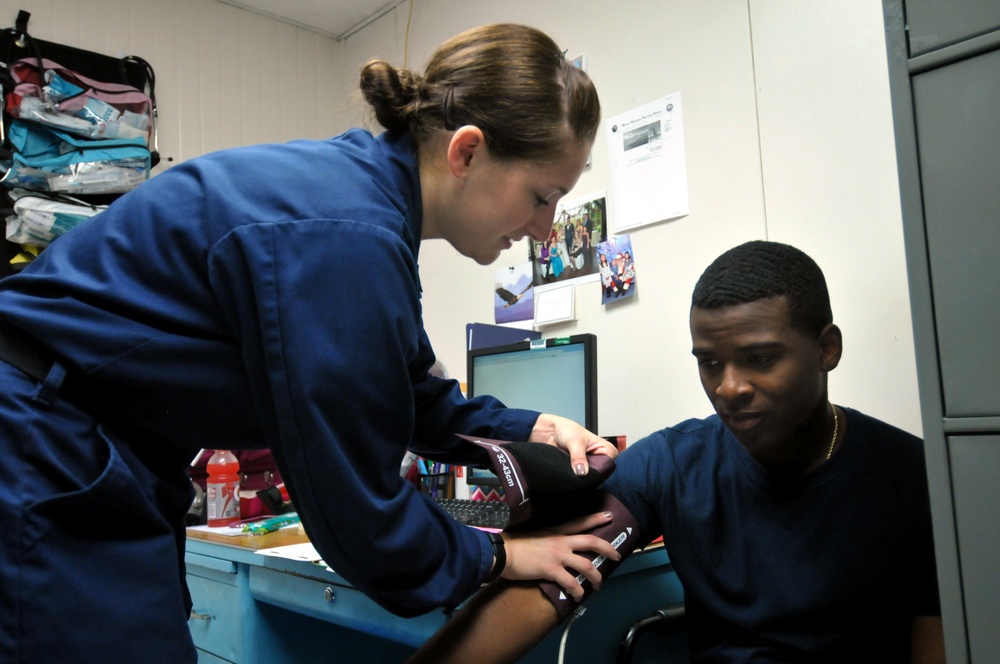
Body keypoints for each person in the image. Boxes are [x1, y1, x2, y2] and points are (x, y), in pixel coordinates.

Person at [0, 23, 621, 663]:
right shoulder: (345, 236)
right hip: (41, 438)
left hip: (85, 438)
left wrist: (534, 427)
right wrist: (497, 555)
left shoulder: (365, 207)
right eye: (544, 196)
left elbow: (412, 395)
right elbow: (356, 504)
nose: (547, 229)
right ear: (466, 152)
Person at [410, 240, 944, 664]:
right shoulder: (672, 463)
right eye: (709, 362)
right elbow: (551, 588)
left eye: (759, 358)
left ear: (827, 349)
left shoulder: (914, 478)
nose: (729, 387)